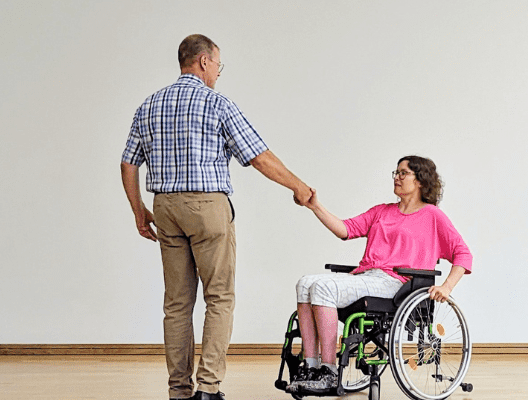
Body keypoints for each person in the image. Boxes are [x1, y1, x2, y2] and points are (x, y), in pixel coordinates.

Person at [119, 34, 313, 400]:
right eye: (218, 66)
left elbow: (128, 163)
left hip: (165, 207)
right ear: (204, 61)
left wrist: (138, 212)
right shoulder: (216, 103)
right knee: (219, 297)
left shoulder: (149, 105)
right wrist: (297, 185)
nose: (219, 74)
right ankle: (208, 388)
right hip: (207, 207)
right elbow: (258, 155)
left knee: (176, 304)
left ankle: (179, 391)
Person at [287, 156, 472, 393]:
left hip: (396, 284)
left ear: (420, 181)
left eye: (403, 173)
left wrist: (446, 287)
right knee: (304, 284)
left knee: (322, 288)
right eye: (395, 172)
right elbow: (345, 230)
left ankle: (329, 372)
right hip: (368, 277)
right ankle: (311, 366)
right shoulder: (382, 211)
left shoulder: (432, 216)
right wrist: (315, 206)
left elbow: (463, 254)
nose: (396, 177)